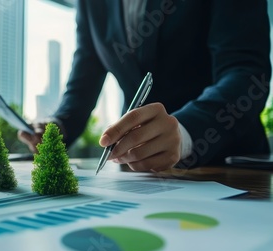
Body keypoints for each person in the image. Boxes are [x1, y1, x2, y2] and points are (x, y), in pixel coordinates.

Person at [18, 0, 271, 171]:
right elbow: (85, 74)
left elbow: (245, 73)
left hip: (226, 168)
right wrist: (60, 125)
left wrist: (185, 131)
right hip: (135, 172)